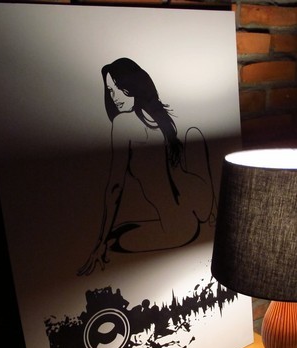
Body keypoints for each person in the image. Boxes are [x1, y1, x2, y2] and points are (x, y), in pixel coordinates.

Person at [78, 57, 216, 276]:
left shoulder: (124, 123)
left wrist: (99, 244)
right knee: (121, 230)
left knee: (113, 242)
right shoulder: (157, 117)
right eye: (110, 91)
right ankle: (210, 213)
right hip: (192, 213)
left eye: (118, 89)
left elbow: (115, 188)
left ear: (130, 87)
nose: (114, 97)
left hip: (176, 229)